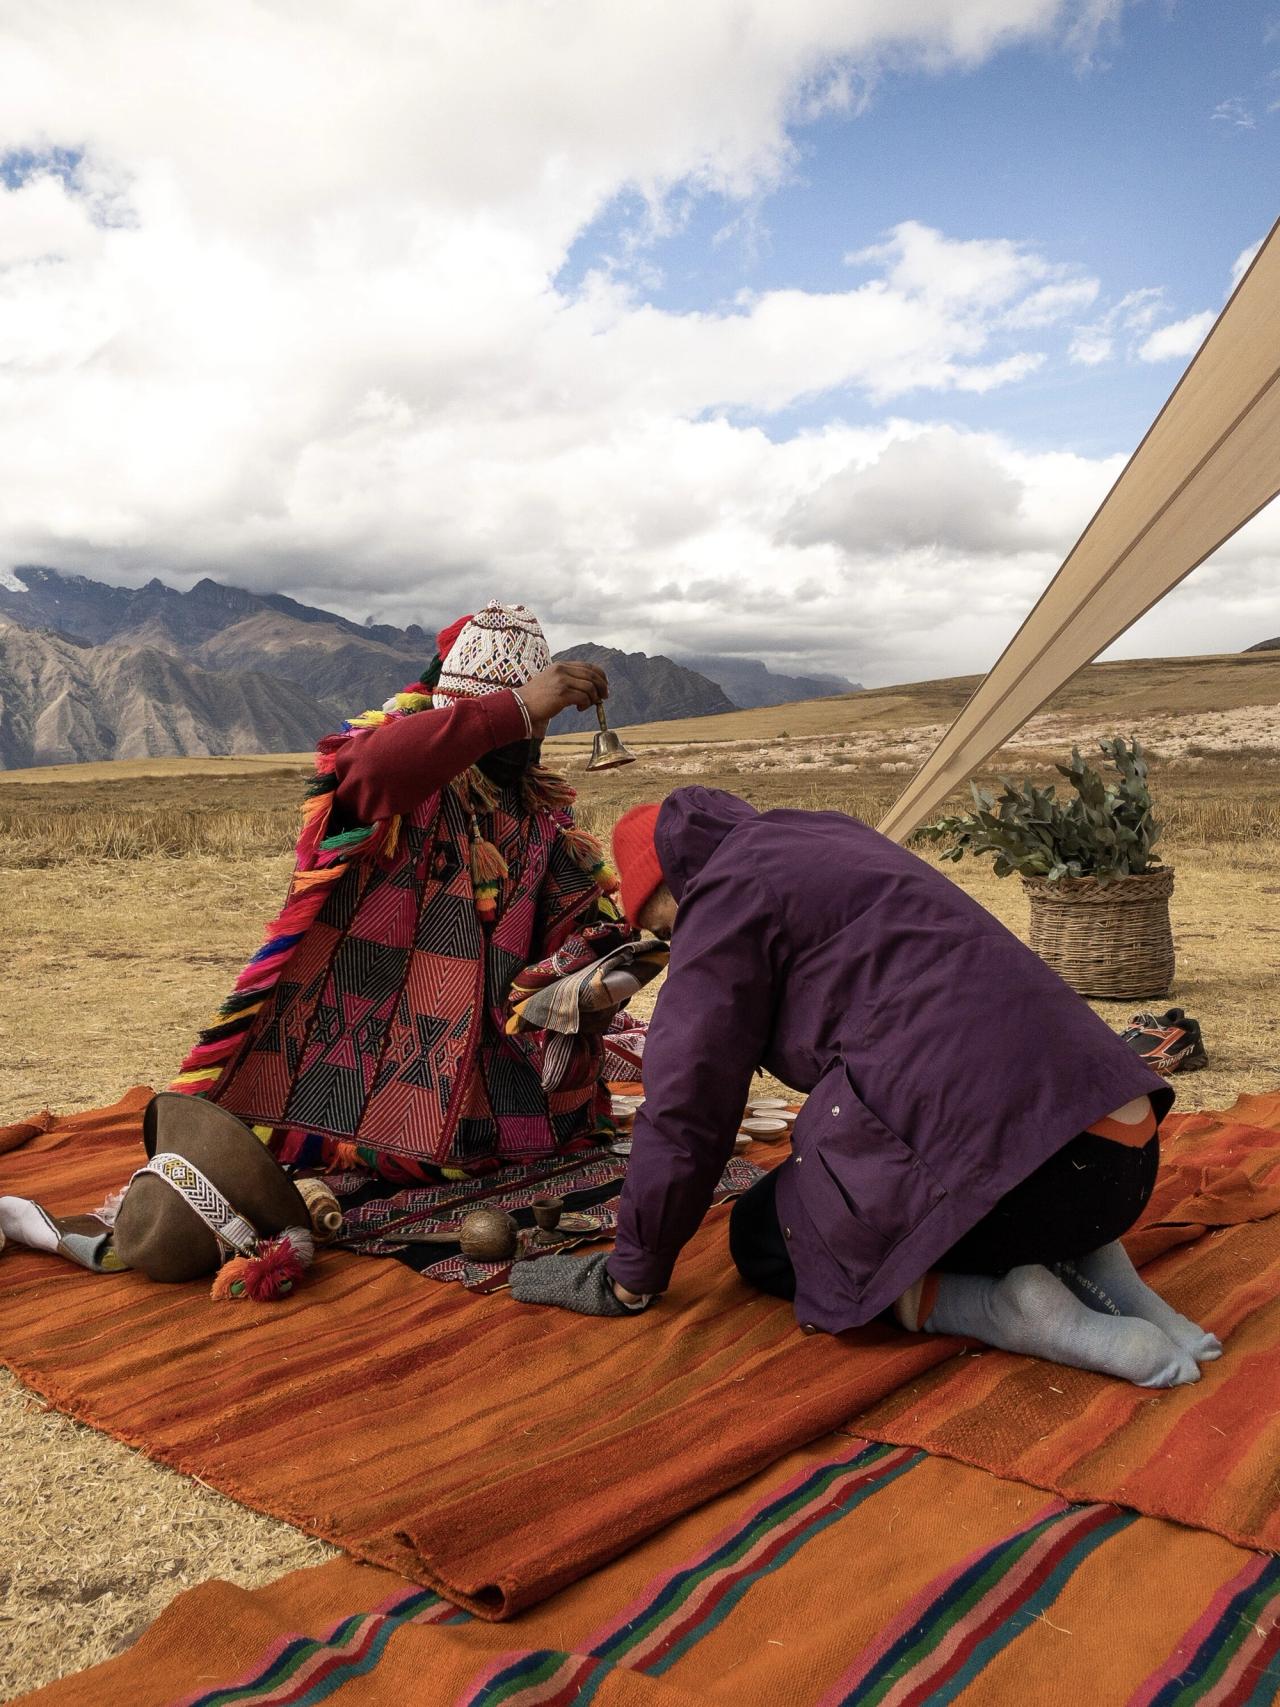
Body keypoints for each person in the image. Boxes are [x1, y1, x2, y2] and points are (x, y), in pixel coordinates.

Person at [510, 787, 1222, 1389]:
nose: (660, 940)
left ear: (664, 885)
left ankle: (998, 1306)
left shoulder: (721, 896)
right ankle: (1118, 1280)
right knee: (1008, 1116)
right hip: (1120, 1155)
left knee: (768, 1230)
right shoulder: (825, 835)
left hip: (1028, 1188)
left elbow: (686, 1101)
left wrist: (632, 1271)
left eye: (652, 921)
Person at [169, 601, 631, 1181]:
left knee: (540, 1127)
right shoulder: (403, 776)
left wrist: (600, 956)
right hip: (365, 1034)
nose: (529, 738)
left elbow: (567, 897)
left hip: (491, 1044)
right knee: (380, 1143)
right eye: (523, 723)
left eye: (539, 727)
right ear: (471, 714)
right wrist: (513, 710)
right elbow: (366, 771)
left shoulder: (529, 803)